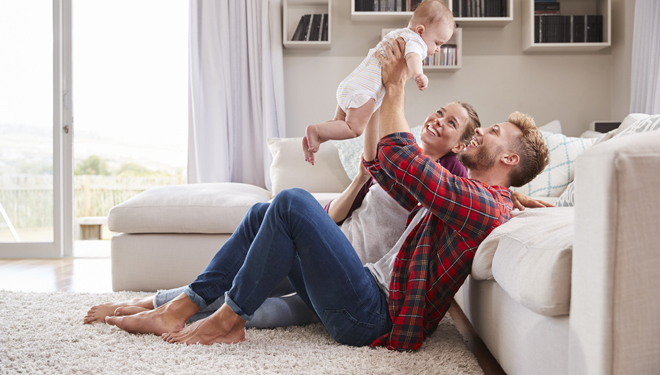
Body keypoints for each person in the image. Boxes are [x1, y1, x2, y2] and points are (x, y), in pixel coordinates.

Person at [101, 37, 549, 351]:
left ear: (509, 161)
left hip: (374, 317)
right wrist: (519, 199)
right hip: (360, 289)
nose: (482, 134)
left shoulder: (484, 203)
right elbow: (399, 172)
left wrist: (394, 87)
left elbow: (410, 168)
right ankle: (182, 305)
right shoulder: (480, 197)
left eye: (493, 133)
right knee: (266, 212)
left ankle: (225, 321)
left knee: (293, 201)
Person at [83, 99, 481, 326]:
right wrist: (360, 180)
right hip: (329, 252)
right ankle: (162, 303)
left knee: (268, 305)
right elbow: (337, 218)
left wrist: (512, 198)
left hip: (353, 280)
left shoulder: (446, 179)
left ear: (461, 145)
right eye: (440, 112)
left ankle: (179, 311)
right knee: (263, 223)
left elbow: (473, 196)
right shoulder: (399, 154)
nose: (438, 121)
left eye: (451, 123)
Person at [302, 0, 455, 165]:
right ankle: (316, 131)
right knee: (354, 129)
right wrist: (419, 74)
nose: (438, 49)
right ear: (420, 31)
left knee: (339, 124)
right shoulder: (415, 41)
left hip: (351, 84)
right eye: (437, 43)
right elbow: (413, 56)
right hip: (365, 92)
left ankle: (313, 138)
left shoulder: (397, 34)